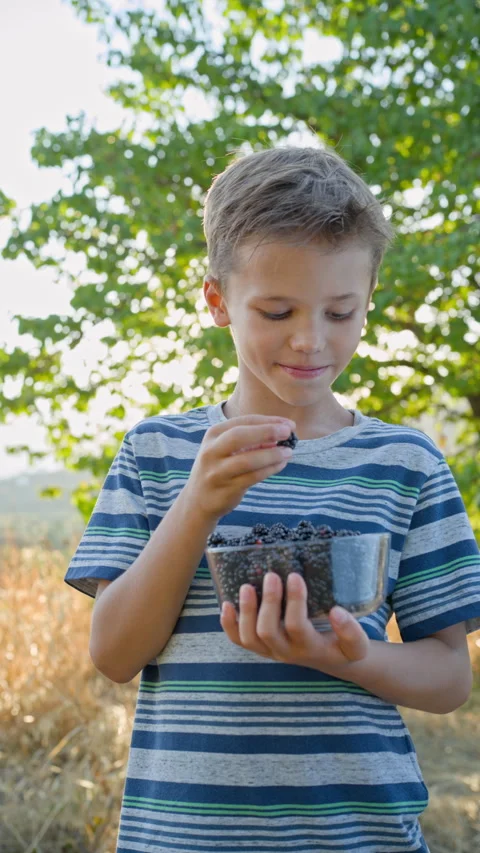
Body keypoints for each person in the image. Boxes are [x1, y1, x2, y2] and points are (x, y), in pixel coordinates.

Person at [65, 145, 480, 853]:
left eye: (341, 311)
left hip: (360, 835)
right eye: (278, 309)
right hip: (184, 837)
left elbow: (448, 676)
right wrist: (197, 503)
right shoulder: (157, 453)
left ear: (370, 295)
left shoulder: (405, 464)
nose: (311, 339)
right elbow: (114, 652)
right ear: (219, 300)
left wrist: (343, 656)